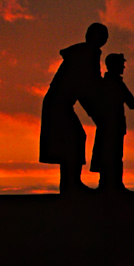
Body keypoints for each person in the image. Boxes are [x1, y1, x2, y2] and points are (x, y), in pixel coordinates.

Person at [39, 23, 107, 193]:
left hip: (59, 104)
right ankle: (71, 184)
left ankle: (71, 183)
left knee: (74, 138)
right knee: (74, 137)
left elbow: (89, 86)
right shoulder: (86, 55)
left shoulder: (85, 54)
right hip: (57, 104)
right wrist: (96, 113)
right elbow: (86, 87)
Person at [87, 53, 134, 193]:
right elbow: (132, 103)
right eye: (121, 64)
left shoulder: (106, 83)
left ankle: (108, 185)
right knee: (113, 155)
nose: (123, 66)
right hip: (113, 125)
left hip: (108, 125)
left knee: (109, 154)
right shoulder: (115, 84)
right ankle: (113, 186)